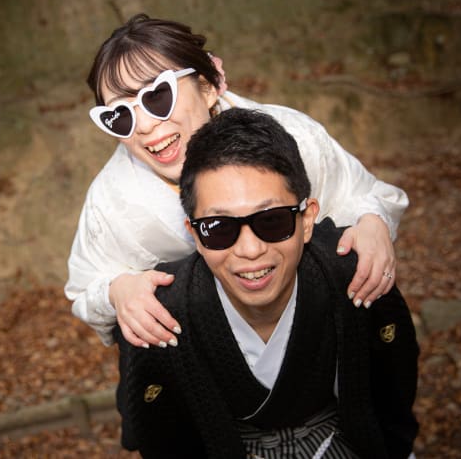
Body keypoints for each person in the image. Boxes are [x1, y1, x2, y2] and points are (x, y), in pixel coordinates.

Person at [65, 14, 408, 348]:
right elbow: (85, 285)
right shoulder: (111, 203)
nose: (143, 125)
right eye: (119, 115)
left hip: (323, 330)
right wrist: (118, 291)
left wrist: (372, 221)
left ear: (207, 87)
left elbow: (361, 193)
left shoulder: (295, 138)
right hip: (206, 358)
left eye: (157, 96)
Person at [114, 108, 419, 458]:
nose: (250, 249)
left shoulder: (355, 276)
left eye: (272, 221)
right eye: (218, 228)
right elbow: (153, 431)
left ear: (308, 220)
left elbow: (394, 390)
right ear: (194, 234)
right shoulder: (158, 314)